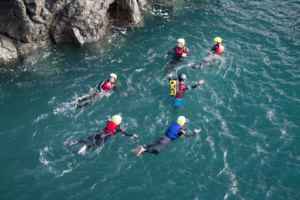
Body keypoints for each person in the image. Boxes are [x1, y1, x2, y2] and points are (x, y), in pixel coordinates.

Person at [67, 115, 138, 153]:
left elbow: (107, 120)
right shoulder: (117, 128)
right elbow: (124, 134)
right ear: (118, 121)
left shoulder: (110, 121)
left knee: (88, 139)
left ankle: (75, 141)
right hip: (104, 136)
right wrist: (132, 135)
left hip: (100, 132)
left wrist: (108, 117)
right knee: (96, 145)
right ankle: (86, 147)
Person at [133, 116, 201, 155]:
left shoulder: (173, 123)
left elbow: (177, 126)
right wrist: (194, 132)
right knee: (156, 152)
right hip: (167, 140)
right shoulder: (181, 131)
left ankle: (143, 146)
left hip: (163, 136)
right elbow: (188, 137)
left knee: (151, 144)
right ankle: (143, 150)